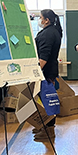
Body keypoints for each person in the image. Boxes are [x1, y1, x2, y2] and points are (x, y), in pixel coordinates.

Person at [34, 9, 62, 141]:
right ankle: (44, 125)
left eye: (40, 17)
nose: (39, 20)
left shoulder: (48, 34)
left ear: (46, 20)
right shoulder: (53, 31)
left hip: (45, 72)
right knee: (46, 100)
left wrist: (35, 73)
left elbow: (43, 57)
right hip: (50, 71)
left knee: (47, 101)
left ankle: (49, 131)